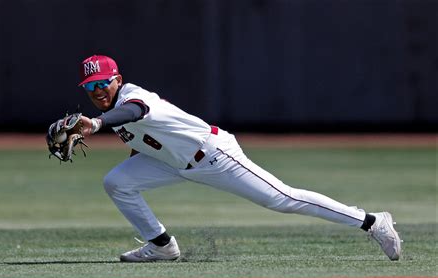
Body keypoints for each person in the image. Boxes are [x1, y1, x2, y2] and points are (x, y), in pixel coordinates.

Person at [76, 55, 401, 262]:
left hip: (215, 155)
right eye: (91, 87)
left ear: (117, 80)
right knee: (117, 182)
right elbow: (143, 140)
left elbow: (134, 112)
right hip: (174, 163)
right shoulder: (112, 111)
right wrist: (98, 126)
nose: (98, 91)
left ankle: (372, 222)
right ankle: (161, 245)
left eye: (104, 83)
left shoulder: (133, 96)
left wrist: (97, 124)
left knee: (282, 199)